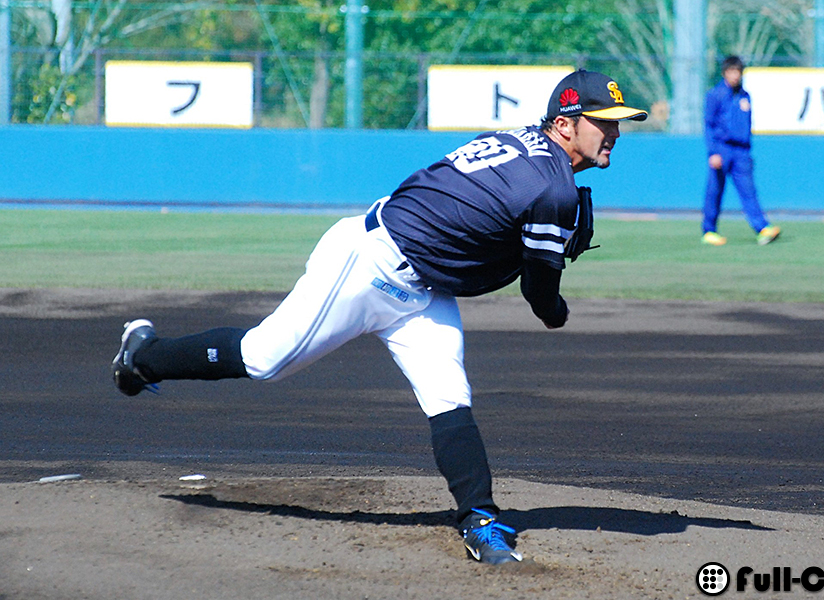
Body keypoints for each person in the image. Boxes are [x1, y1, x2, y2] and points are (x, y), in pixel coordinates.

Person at [111, 69, 647, 565]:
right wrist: (557, 310)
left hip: (427, 286)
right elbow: (539, 294)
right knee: (263, 358)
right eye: (603, 123)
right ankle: (145, 356)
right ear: (564, 124)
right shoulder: (553, 188)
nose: (614, 134)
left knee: (449, 396)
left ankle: (480, 519)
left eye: (617, 124)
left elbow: (478, 220)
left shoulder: (525, 147)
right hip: (369, 264)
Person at [702, 55, 780, 246]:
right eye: (731, 71)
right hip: (722, 148)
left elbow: (747, 124)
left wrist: (748, 150)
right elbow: (708, 125)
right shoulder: (715, 95)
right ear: (724, 73)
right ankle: (709, 231)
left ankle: (762, 228)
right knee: (715, 191)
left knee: (748, 191)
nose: (735, 76)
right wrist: (713, 152)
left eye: (738, 71)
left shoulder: (745, 96)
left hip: (742, 152)